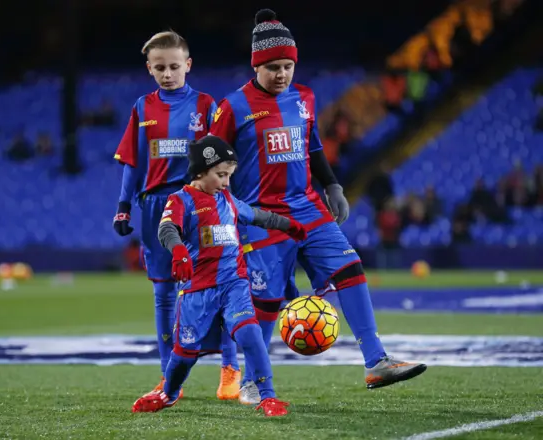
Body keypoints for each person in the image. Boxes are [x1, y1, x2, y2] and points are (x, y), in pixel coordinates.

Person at [209, 9, 427, 405]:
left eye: (288, 66)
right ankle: (254, 381)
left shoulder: (304, 97)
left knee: (350, 267)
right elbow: (209, 162)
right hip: (261, 216)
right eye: (273, 67)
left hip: (308, 208)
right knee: (267, 301)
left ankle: (376, 361)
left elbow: (312, 147)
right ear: (256, 65)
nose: (282, 74)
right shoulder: (232, 108)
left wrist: (332, 185)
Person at [132, 135, 306, 416]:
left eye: (229, 175)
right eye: (221, 175)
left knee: (250, 333)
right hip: (197, 289)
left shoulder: (228, 199)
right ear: (200, 171)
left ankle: (268, 396)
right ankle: (169, 393)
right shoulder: (180, 200)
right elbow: (166, 230)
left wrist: (289, 225)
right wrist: (178, 251)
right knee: (184, 354)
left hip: (233, 284)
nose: (226, 182)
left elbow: (258, 216)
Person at [113, 31, 242, 400]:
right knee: (164, 294)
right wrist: (123, 206)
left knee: (219, 286)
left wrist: (226, 198)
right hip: (155, 206)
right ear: (149, 69)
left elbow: (223, 158)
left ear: (188, 65)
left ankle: (230, 370)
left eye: (173, 66)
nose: (167, 73)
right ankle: (170, 377)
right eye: (160, 67)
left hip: (201, 203)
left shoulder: (205, 106)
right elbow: (132, 161)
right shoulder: (142, 108)